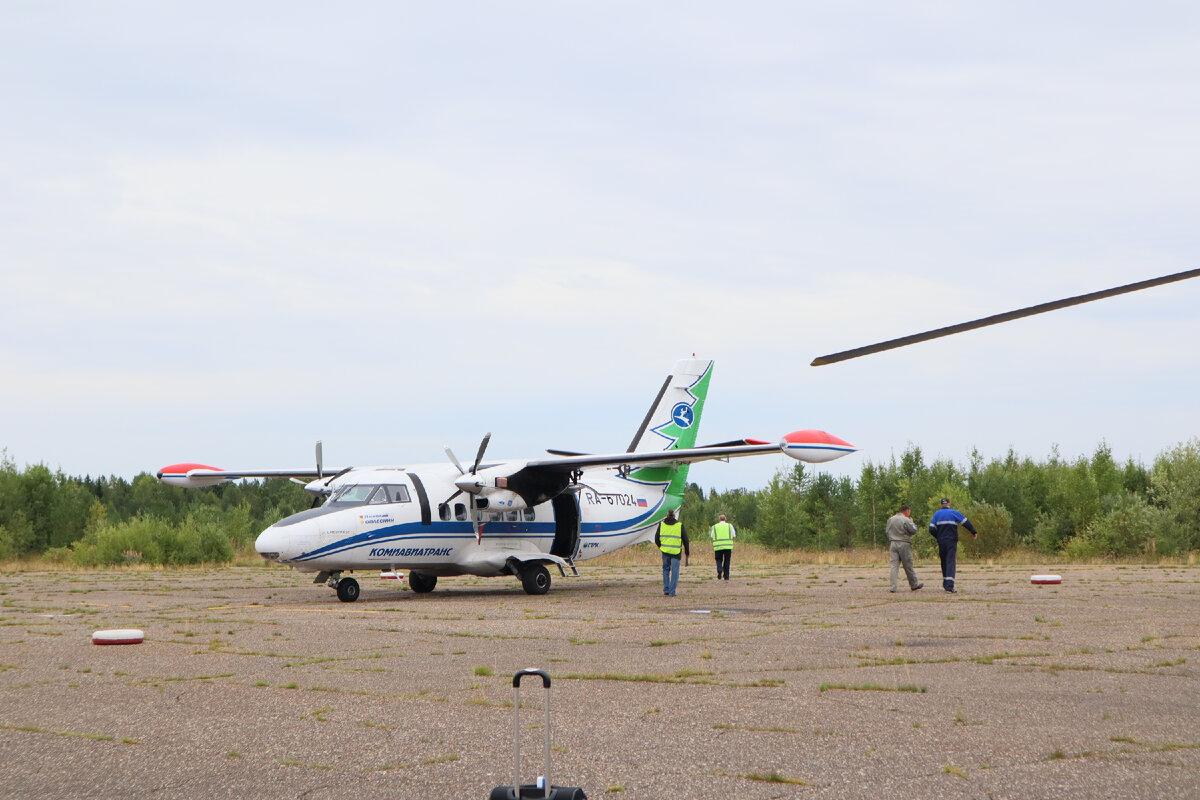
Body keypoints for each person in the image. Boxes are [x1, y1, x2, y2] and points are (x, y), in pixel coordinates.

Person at [929, 497, 978, 593]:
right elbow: (965, 522)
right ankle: (949, 586)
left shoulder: (937, 514)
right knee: (950, 561)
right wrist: (973, 531)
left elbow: (931, 529)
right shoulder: (953, 512)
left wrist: (938, 536)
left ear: (941, 505)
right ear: (949, 504)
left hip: (941, 541)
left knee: (943, 561)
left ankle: (945, 583)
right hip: (951, 540)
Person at [886, 505, 923, 592]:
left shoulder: (891, 519)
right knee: (908, 565)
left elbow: (887, 531)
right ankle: (913, 584)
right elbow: (914, 530)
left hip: (893, 543)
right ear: (907, 511)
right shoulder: (906, 520)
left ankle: (893, 587)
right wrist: (912, 523)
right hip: (904, 543)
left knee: (894, 566)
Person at [654, 508, 690, 596]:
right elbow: (685, 540)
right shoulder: (679, 525)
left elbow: (656, 538)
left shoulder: (661, 525)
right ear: (674, 516)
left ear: (667, 515)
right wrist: (687, 552)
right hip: (676, 552)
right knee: (675, 572)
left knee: (666, 570)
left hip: (665, 551)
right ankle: (672, 591)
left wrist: (661, 547)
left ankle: (666, 589)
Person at [709, 514, 736, 580]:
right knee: (727, 561)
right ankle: (726, 576)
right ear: (725, 519)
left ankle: (719, 569)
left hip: (718, 546)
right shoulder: (729, 526)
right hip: (727, 546)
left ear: (719, 519)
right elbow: (734, 535)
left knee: (718, 559)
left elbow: (711, 536)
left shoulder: (715, 527)